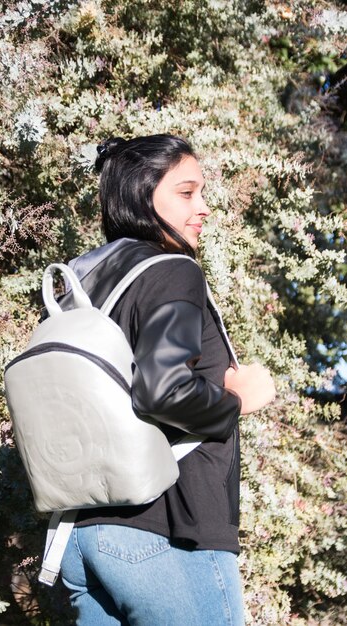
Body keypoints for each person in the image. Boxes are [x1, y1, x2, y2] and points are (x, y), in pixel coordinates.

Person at [59, 134, 276, 625]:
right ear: (141, 192)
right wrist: (237, 400)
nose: (202, 208)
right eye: (186, 192)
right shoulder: (174, 271)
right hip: (168, 534)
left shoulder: (84, 280)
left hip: (81, 534)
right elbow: (163, 388)